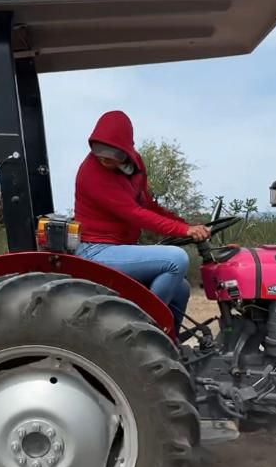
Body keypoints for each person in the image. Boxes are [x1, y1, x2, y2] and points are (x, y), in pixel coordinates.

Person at [73, 110, 212, 336]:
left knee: (181, 289)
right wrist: (184, 230)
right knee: (176, 260)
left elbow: (146, 204)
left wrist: (185, 224)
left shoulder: (135, 165)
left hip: (118, 247)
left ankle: (169, 344)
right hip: (95, 250)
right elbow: (135, 214)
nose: (104, 158)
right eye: (99, 150)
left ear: (125, 149)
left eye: (111, 153)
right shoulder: (91, 173)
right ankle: (141, 335)